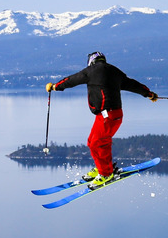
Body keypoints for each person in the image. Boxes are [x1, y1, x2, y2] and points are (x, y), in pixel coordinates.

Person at [46, 52, 158, 190]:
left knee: (98, 143)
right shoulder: (114, 71)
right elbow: (132, 84)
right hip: (112, 114)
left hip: (107, 115)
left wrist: (55, 86)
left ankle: (106, 174)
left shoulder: (91, 71)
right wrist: (148, 94)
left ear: (91, 61)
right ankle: (102, 168)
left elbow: (72, 80)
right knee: (92, 142)